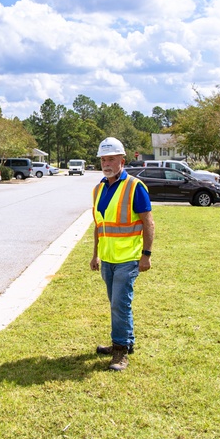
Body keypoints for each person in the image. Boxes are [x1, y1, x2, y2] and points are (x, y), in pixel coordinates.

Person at [90, 137, 155, 371]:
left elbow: (148, 222)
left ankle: (120, 352)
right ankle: (126, 341)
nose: (106, 163)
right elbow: (99, 225)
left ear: (122, 161)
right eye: (103, 159)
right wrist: (95, 254)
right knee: (116, 303)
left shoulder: (135, 187)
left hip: (129, 259)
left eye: (111, 159)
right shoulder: (98, 189)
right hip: (107, 260)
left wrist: (146, 255)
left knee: (120, 304)